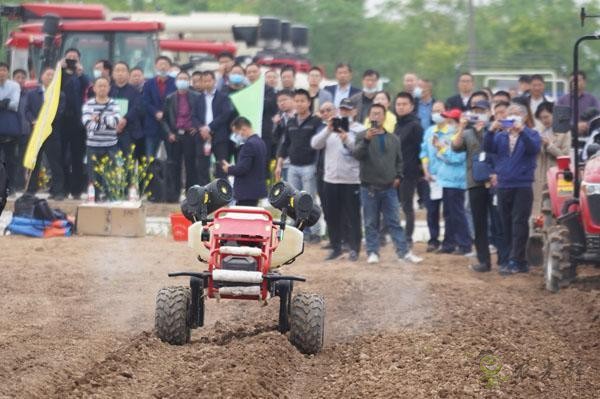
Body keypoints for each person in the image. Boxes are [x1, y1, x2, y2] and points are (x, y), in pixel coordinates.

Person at [353, 103, 422, 264]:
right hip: (368, 187)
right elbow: (357, 154)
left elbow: (399, 160)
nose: (376, 117)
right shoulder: (362, 135)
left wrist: (399, 176)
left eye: (379, 114)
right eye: (373, 114)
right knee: (370, 222)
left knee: (394, 221)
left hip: (389, 187)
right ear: (369, 117)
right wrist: (366, 140)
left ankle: (403, 252)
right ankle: (372, 252)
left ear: (384, 117)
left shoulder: (394, 138)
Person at [484, 102, 541, 275]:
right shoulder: (501, 136)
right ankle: (512, 258)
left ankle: (516, 259)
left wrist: (521, 131)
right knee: (505, 222)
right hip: (504, 184)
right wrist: (491, 130)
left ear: (524, 117)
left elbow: (534, 149)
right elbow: (487, 147)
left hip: (522, 184)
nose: (512, 117)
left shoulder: (532, 134)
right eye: (510, 114)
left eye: (516, 114)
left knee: (519, 222)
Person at [311, 98, 363, 261]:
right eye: (342, 109)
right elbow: (315, 144)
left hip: (351, 179)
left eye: (348, 109)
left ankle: (354, 248)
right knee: (332, 215)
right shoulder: (330, 128)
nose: (345, 112)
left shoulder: (360, 130)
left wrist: (346, 138)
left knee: (353, 216)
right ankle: (336, 247)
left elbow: (360, 151)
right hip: (330, 179)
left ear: (355, 111)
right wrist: (328, 129)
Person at [452, 100, 495, 272]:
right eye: (475, 111)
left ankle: (506, 258)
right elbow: (455, 147)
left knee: (498, 221)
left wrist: (485, 130)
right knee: (479, 223)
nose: (478, 114)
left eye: (482, 111)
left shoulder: (494, 128)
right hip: (475, 181)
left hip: (494, 180)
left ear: (488, 112)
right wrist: (461, 127)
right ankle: (484, 260)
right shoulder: (468, 133)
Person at [276, 89, 322, 242]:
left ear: (309, 102)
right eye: (297, 100)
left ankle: (315, 232)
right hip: (292, 167)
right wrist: (279, 163)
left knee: (309, 200)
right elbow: (285, 144)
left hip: (309, 166)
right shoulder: (291, 122)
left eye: (303, 100)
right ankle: (299, 232)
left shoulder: (315, 121)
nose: (300, 103)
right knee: (292, 201)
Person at [432, 108, 472, 255]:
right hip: (447, 180)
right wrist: (439, 148)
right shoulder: (451, 135)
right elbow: (442, 156)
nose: (447, 122)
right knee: (449, 213)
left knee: (457, 213)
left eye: (449, 119)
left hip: (456, 181)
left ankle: (464, 243)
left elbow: (456, 158)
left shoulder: (462, 137)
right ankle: (449, 243)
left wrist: (442, 149)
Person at [24, 67, 65, 199]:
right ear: (42, 77)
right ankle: (31, 190)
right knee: (34, 161)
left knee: (55, 163)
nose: (50, 77)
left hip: (52, 133)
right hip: (36, 133)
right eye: (47, 74)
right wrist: (33, 121)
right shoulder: (32, 94)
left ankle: (58, 191)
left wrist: (45, 123)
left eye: (53, 75)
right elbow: (27, 110)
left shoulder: (59, 94)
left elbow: (60, 112)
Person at [161, 71, 200, 202]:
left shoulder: (196, 96)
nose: (182, 81)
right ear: (176, 81)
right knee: (174, 166)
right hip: (175, 135)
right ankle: (174, 194)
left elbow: (202, 115)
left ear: (189, 81)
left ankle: (191, 195)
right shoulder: (170, 98)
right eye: (180, 78)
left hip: (190, 135)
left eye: (185, 78)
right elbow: (164, 119)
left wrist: (197, 127)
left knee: (191, 166)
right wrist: (169, 133)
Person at [82, 77, 122, 200]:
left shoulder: (114, 104)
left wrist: (99, 119)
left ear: (109, 88)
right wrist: (106, 122)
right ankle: (96, 197)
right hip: (93, 145)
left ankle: (111, 197)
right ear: (94, 88)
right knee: (93, 175)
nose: (102, 88)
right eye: (99, 86)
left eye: (105, 86)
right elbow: (88, 124)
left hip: (111, 144)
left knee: (111, 173)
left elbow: (116, 122)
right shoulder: (88, 104)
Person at [393, 92, 424, 247]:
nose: (401, 107)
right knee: (392, 204)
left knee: (407, 205)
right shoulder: (397, 124)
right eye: (398, 104)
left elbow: (421, 150)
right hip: (394, 171)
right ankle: (392, 235)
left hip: (409, 171)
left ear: (411, 106)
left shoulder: (415, 126)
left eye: (404, 104)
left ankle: (408, 238)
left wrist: (419, 171)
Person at [60, 48, 90, 199]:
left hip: (78, 122)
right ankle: (62, 188)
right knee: (61, 156)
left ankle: (77, 190)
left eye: (74, 58)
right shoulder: (60, 74)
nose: (71, 60)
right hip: (62, 121)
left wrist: (81, 73)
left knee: (77, 157)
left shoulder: (81, 76)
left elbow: (89, 88)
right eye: (69, 57)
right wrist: (59, 69)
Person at [533, 101, 571, 214]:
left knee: (560, 207)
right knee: (540, 209)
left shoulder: (565, 132)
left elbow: (565, 156)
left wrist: (549, 145)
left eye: (546, 116)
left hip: (560, 175)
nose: (545, 120)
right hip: (540, 175)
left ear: (554, 115)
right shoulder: (537, 132)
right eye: (541, 118)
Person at [420, 101, 447, 252]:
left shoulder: (452, 131)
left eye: (440, 110)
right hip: (431, 176)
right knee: (432, 210)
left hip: (448, 177)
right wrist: (425, 170)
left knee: (449, 210)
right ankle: (433, 239)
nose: (437, 114)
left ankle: (450, 239)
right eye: (434, 111)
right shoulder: (429, 131)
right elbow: (424, 151)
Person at [222, 117, 267, 206]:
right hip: (255, 190)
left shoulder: (249, 145)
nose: (236, 136)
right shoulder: (260, 142)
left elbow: (243, 168)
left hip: (246, 192)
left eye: (236, 133)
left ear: (244, 129)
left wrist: (229, 169)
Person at [198, 71, 234, 179]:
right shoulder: (198, 98)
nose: (207, 83)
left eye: (209, 80)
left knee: (222, 165)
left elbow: (225, 114)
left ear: (214, 81)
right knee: (202, 166)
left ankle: (222, 192)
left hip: (220, 135)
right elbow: (193, 116)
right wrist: (202, 128)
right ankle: (204, 192)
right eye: (204, 81)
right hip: (203, 136)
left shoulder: (223, 97)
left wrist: (209, 127)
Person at [142, 55, 176, 157]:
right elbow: (145, 101)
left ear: (170, 67)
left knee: (172, 157)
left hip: (170, 126)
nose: (162, 67)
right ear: (155, 66)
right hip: (152, 125)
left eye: (165, 65)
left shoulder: (175, 82)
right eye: (160, 64)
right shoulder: (148, 83)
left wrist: (165, 113)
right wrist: (155, 112)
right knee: (149, 158)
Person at [110, 61, 143, 157]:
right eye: (117, 71)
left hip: (129, 131)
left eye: (123, 71)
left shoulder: (134, 91)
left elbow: (136, 107)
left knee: (128, 161)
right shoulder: (109, 90)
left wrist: (124, 119)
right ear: (113, 74)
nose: (120, 73)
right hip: (111, 130)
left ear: (128, 74)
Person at [0, 62, 22, 195]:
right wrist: (4, 102)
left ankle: (11, 186)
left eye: (3, 70)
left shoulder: (14, 86)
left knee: (10, 159)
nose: (1, 73)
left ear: (7, 72)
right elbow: (8, 103)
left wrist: (4, 104)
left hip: (8, 128)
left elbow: (15, 104)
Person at [557, 71, 600, 136]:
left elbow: (597, 117)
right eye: (572, 81)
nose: (574, 83)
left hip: (588, 136)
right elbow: (559, 120)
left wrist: (586, 125)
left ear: (584, 82)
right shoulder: (562, 100)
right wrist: (575, 126)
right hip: (568, 136)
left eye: (577, 80)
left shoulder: (592, 99)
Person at [272, 89, 296, 181]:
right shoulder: (279, 119)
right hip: (283, 162)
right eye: (279, 101)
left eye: (284, 100)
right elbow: (276, 141)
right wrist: (277, 125)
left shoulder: (300, 116)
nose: (282, 103)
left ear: (293, 100)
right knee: (287, 193)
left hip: (298, 163)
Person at [12, 68, 29, 192]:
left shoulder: (28, 95)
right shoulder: (8, 94)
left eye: (23, 78)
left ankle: (20, 184)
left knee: (22, 158)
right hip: (9, 131)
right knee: (9, 158)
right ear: (13, 79)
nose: (20, 80)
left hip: (25, 131)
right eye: (18, 77)